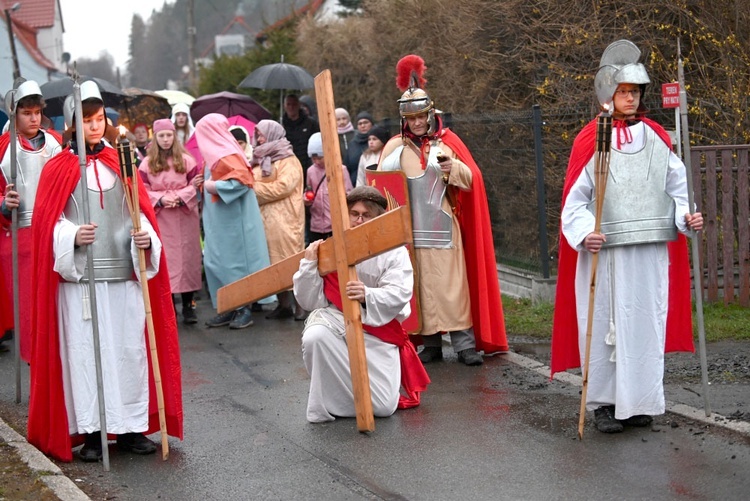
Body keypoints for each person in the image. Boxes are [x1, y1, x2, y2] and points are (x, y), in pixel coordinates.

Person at [550, 40, 703, 433]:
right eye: (624, 91)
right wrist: (585, 234)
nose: (630, 98)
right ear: (609, 94)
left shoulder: (656, 137)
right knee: (603, 324)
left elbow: (676, 189)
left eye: (635, 92)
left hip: (648, 253)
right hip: (605, 252)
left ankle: (638, 402)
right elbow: (575, 202)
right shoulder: (592, 138)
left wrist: (688, 218)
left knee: (643, 323)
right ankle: (603, 404)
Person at [28, 81, 183, 462]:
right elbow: (50, 224)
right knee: (87, 355)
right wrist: (71, 235)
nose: (95, 127)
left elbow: (138, 215)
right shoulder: (57, 168)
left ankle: (130, 429)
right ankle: (95, 433)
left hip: (123, 278)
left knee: (129, 352)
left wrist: (145, 239)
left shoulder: (123, 162)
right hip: (81, 282)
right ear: (71, 124)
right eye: (86, 120)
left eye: (99, 119)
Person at [378, 54, 507, 366]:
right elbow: (380, 186)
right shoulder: (395, 147)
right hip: (411, 231)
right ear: (404, 121)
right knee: (420, 289)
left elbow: (472, 180)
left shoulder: (447, 142)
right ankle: (432, 344)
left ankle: (464, 346)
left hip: (444, 226)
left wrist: (452, 168)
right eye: (412, 119)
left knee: (453, 289)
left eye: (421, 116)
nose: (418, 123)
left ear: (430, 113)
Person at [293, 186, 430, 423]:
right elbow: (310, 301)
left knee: (384, 407)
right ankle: (331, 404)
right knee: (315, 337)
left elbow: (400, 293)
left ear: (378, 218)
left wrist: (367, 295)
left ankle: (364, 401)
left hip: (379, 332)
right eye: (354, 214)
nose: (358, 220)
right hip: (336, 321)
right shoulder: (331, 248)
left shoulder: (394, 251)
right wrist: (308, 266)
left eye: (366, 215)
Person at [0, 80, 63, 359]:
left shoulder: (56, 144)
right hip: (19, 236)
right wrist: (2, 204)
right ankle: (35, 362)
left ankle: (55, 359)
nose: (34, 118)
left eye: (37, 112)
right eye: (27, 113)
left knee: (55, 303)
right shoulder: (3, 148)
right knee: (27, 307)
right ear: (15, 115)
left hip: (53, 233)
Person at [194, 113, 273, 330]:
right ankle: (228, 307)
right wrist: (200, 184)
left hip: (234, 222)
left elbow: (241, 183)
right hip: (218, 221)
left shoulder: (229, 154)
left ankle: (243, 307)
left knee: (236, 263)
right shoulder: (213, 156)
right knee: (217, 262)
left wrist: (212, 186)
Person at [138, 119, 202, 324]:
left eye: (169, 135)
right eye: (161, 136)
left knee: (187, 259)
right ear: (155, 138)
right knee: (166, 259)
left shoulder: (186, 160)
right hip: (162, 217)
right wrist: (161, 199)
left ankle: (189, 304)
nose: (166, 139)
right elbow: (142, 189)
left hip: (183, 215)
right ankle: (170, 306)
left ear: (174, 136)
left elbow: (195, 183)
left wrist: (182, 196)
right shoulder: (147, 163)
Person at [250, 120, 305, 321]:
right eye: (257, 134)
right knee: (273, 261)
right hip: (265, 218)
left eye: (262, 133)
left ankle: (300, 305)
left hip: (285, 218)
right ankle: (283, 305)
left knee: (291, 260)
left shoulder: (287, 159)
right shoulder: (259, 157)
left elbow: (284, 186)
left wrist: (253, 189)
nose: (259, 137)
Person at [305, 132, 353, 242]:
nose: (316, 161)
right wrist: (307, 199)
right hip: (316, 223)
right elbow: (309, 189)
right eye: (313, 158)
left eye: (320, 158)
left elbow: (349, 193)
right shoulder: (310, 171)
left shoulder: (341, 170)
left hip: (335, 222)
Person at [282, 94, 319, 173]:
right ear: (284, 106)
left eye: (294, 104)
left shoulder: (311, 124)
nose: (291, 107)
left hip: (307, 165)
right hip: (288, 167)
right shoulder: (281, 126)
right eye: (288, 104)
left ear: (299, 105)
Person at [347, 112, 374, 186]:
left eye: (366, 122)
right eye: (360, 123)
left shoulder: (377, 142)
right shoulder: (352, 144)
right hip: (355, 184)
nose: (363, 126)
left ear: (371, 124)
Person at [335, 108, 357, 185]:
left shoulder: (356, 134)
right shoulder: (333, 137)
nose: (342, 122)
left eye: (344, 118)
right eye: (338, 119)